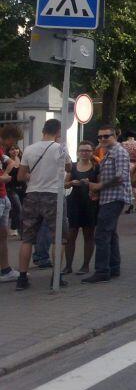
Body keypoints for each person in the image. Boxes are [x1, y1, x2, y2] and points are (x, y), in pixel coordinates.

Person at [14, 119, 69, 290]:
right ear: (58, 132)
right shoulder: (60, 148)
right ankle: (56, 277)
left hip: (32, 195)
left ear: (43, 130)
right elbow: (69, 168)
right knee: (58, 238)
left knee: (27, 239)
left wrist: (34, 177)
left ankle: (22, 278)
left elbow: (20, 177)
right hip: (53, 195)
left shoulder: (29, 149)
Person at [82, 123, 130, 285]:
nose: (102, 139)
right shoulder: (108, 152)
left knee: (101, 234)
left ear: (115, 136)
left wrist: (99, 187)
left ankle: (102, 271)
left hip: (114, 197)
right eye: (100, 136)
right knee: (111, 233)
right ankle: (113, 267)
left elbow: (120, 176)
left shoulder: (119, 152)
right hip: (108, 197)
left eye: (106, 136)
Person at [64, 140, 99, 275]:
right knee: (70, 235)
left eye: (87, 150)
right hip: (74, 203)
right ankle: (68, 266)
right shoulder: (72, 166)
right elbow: (65, 184)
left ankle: (85, 265)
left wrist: (90, 183)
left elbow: (100, 184)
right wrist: (71, 182)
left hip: (90, 204)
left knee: (88, 235)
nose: (84, 153)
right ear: (78, 152)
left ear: (92, 152)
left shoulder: (96, 167)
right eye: (82, 150)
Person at [0, 125, 23, 282]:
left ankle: (5, 269)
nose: (13, 144)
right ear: (9, 137)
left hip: (3, 195)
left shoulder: (1, 150)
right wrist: (4, 177)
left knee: (2, 236)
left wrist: (5, 173)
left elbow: (12, 163)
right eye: (14, 141)